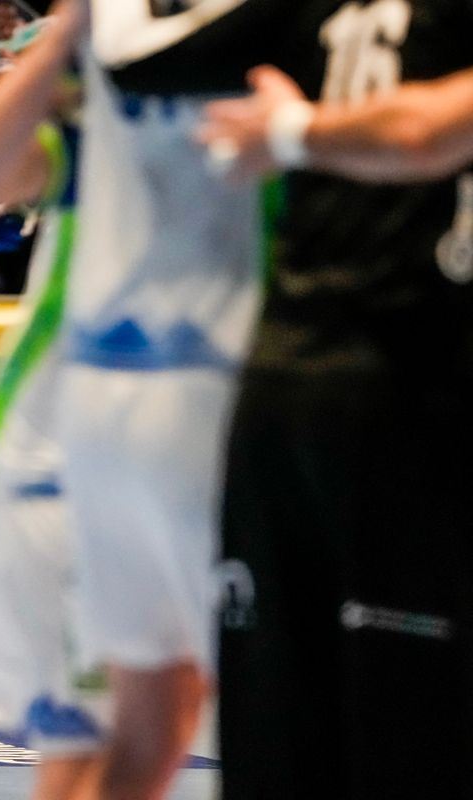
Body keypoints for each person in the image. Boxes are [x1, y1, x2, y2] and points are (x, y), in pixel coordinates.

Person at [0, 1, 281, 798]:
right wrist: (68, 34)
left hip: (146, 451)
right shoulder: (87, 144)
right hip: (52, 464)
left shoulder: (247, 115)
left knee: (153, 728)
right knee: (100, 747)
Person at [192, 6, 473, 798]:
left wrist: (295, 131)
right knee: (274, 725)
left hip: (421, 390)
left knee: (408, 727)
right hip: (292, 379)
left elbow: (431, 130)